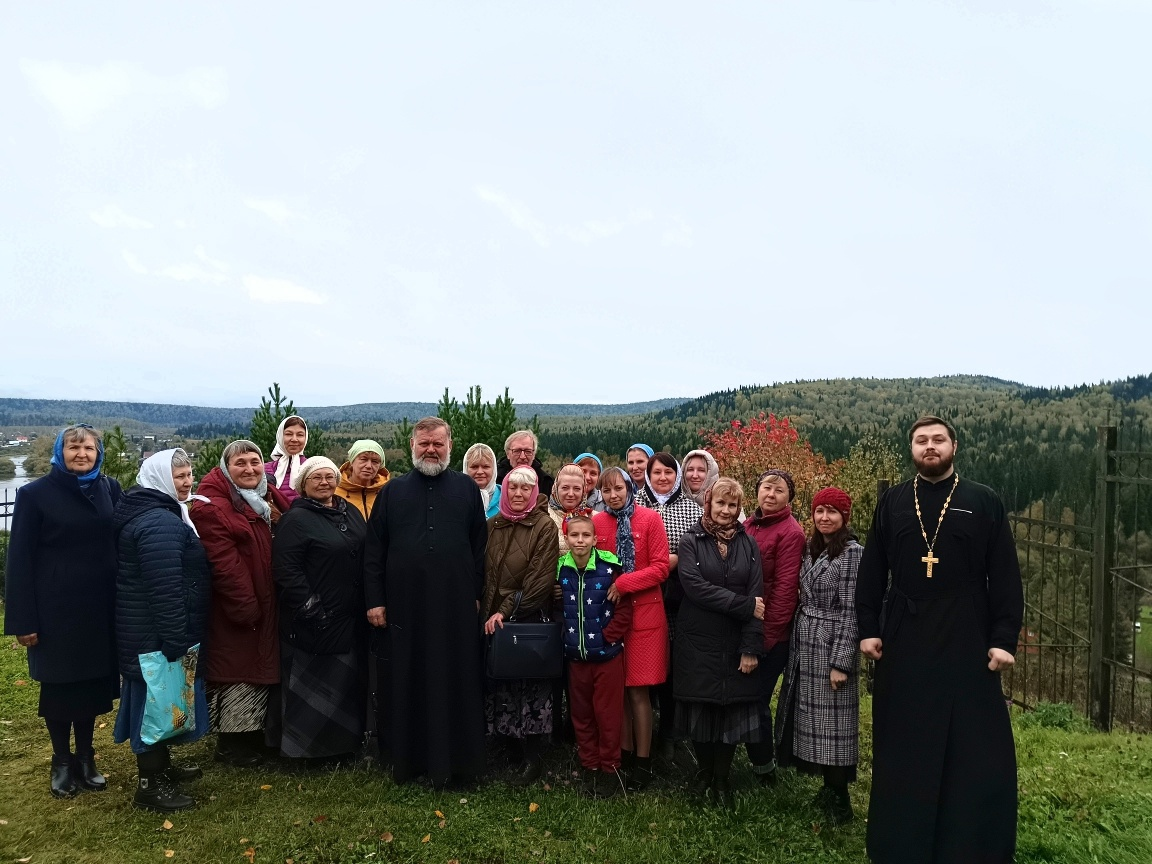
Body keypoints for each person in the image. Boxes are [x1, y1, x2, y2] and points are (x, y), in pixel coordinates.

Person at [857, 415, 1024, 863]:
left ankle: (970, 843)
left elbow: (1005, 575)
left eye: (938, 439)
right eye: (921, 440)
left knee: (974, 747)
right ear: (911, 449)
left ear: (954, 445)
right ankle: (901, 844)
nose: (929, 447)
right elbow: (872, 570)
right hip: (904, 635)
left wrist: (1004, 637)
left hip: (966, 636)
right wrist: (868, 629)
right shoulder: (892, 501)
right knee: (903, 742)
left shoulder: (983, 501)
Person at [363, 417, 487, 787]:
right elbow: (374, 551)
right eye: (424, 443)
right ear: (412, 444)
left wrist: (477, 594)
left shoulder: (466, 488)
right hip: (405, 606)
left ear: (450, 445)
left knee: (456, 679)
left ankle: (459, 763)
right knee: (407, 679)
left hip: (455, 605)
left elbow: (479, 548)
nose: (431, 450)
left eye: (438, 444)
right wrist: (375, 601)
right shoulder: (393, 491)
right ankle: (409, 762)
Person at [3, 425, 121, 798]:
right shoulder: (35, 494)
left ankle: (86, 758)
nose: (81, 453)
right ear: (60, 450)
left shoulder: (110, 489)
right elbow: (19, 560)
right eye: (74, 447)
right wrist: (24, 619)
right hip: (54, 611)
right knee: (59, 687)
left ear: (98, 453)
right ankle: (61, 761)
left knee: (90, 685)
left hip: (99, 608)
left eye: (88, 447)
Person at [111, 449, 211, 812]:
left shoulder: (159, 511)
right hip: (156, 634)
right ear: (159, 479)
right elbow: (165, 586)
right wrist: (175, 640)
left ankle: (162, 767)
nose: (187, 482)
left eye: (189, 475)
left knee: (161, 701)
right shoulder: (159, 522)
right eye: (179, 476)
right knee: (152, 704)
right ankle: (149, 784)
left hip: (149, 631)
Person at [191, 439, 290, 766]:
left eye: (254, 462)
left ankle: (255, 737)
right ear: (225, 468)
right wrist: (244, 606)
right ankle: (233, 745)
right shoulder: (213, 506)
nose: (249, 469)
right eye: (240, 464)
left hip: (266, 601)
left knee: (257, 669)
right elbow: (224, 564)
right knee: (238, 673)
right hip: (239, 607)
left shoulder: (265, 495)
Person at [674, 478, 765, 810]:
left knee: (729, 713)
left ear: (738, 508)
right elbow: (694, 586)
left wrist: (751, 646)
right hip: (696, 639)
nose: (725, 511)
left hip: (734, 640)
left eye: (732, 505)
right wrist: (741, 605)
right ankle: (705, 771)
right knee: (700, 710)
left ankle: (722, 779)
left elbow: (758, 596)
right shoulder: (690, 541)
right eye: (720, 504)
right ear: (708, 503)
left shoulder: (749, 545)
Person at [775, 487, 862, 825]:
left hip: (830, 645)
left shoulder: (853, 553)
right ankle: (828, 790)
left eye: (832, 512)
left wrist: (841, 662)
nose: (825, 517)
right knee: (813, 722)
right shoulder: (812, 550)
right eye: (819, 511)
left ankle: (840, 798)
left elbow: (852, 611)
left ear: (844, 517)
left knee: (835, 725)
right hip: (805, 644)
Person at [272, 457, 367, 765]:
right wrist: (311, 607)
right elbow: (287, 570)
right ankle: (308, 751)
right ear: (303, 484)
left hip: (349, 614)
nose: (325, 482)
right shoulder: (296, 520)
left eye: (330, 476)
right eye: (317, 478)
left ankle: (344, 746)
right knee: (316, 685)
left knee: (344, 683)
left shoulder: (348, 510)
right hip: (314, 616)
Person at [593, 466, 670, 789]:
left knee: (639, 691)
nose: (613, 495)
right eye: (607, 490)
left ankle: (643, 760)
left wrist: (624, 582)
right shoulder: (597, 521)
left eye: (618, 489)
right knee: (619, 690)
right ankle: (622, 753)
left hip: (645, 617)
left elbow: (661, 568)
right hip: (609, 615)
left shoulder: (649, 520)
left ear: (629, 489)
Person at [482, 467, 560, 785]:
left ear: (534, 492)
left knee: (530, 691)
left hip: (523, 618)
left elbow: (539, 581)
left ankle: (533, 757)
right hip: (492, 620)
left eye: (525, 489)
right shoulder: (492, 525)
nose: (517, 493)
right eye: (512, 487)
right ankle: (507, 751)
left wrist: (503, 610)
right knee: (502, 686)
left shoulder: (543, 526)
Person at [557, 514, 633, 797]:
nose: (580, 541)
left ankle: (610, 768)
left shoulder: (610, 567)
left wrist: (608, 635)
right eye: (574, 535)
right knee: (582, 714)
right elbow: (556, 603)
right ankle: (589, 766)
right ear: (567, 538)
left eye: (585, 536)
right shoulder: (561, 570)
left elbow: (625, 607)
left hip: (607, 657)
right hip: (576, 657)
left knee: (608, 715)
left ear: (594, 538)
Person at [635, 452, 703, 762]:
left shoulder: (691, 509)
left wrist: (675, 561)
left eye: (668, 472)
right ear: (648, 475)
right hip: (640, 600)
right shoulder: (635, 503)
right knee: (644, 671)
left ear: (676, 476)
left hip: (676, 602)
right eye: (657, 472)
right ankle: (641, 735)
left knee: (672, 671)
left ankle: (671, 735)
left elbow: (701, 551)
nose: (663, 478)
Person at [743, 469, 806, 785]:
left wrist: (763, 640)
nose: (770, 494)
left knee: (755, 701)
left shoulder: (791, 533)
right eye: (766, 487)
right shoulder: (749, 525)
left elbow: (784, 591)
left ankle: (764, 767)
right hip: (745, 628)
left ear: (788, 498)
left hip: (770, 635)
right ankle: (755, 757)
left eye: (778, 490)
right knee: (746, 697)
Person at [335, 439, 390, 520]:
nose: (369, 466)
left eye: (375, 461)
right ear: (352, 462)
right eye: (363, 459)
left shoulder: (387, 492)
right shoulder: (334, 493)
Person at [547, 463, 593, 556]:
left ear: (583, 491)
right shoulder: (544, 517)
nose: (571, 494)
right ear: (556, 488)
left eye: (576, 489)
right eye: (565, 488)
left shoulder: (593, 518)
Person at [265, 416, 310, 504]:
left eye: (300, 435)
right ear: (280, 436)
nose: (294, 439)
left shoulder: (312, 469)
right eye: (288, 434)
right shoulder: (264, 469)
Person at [496, 430, 554, 498]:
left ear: (534, 454)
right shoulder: (495, 479)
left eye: (528, 451)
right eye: (517, 451)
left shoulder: (546, 482)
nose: (522, 457)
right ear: (507, 454)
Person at [463, 443, 501, 519]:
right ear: (466, 468)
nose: (480, 472)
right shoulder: (456, 497)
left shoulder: (506, 497)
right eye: (474, 467)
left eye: (485, 467)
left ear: (494, 469)